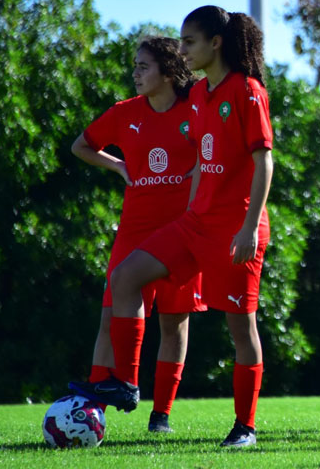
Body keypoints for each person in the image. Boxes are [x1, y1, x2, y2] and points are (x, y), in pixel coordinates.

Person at [71, 7, 274, 449]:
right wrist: (189, 214)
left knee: (242, 330)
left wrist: (246, 228)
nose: (182, 51)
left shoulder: (247, 90)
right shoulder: (200, 94)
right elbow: (203, 159)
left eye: (189, 42)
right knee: (125, 277)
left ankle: (245, 428)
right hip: (194, 226)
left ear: (215, 43)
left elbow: (264, 162)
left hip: (236, 229)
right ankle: (125, 383)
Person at [70, 36, 206, 433]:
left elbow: (212, 150)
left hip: (183, 229)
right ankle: (97, 399)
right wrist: (119, 166)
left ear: (167, 71)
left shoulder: (194, 108)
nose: (135, 73)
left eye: (143, 66)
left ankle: (160, 416)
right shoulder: (124, 113)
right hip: (134, 229)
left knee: (174, 322)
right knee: (111, 312)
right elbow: (81, 146)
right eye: (135, 66)